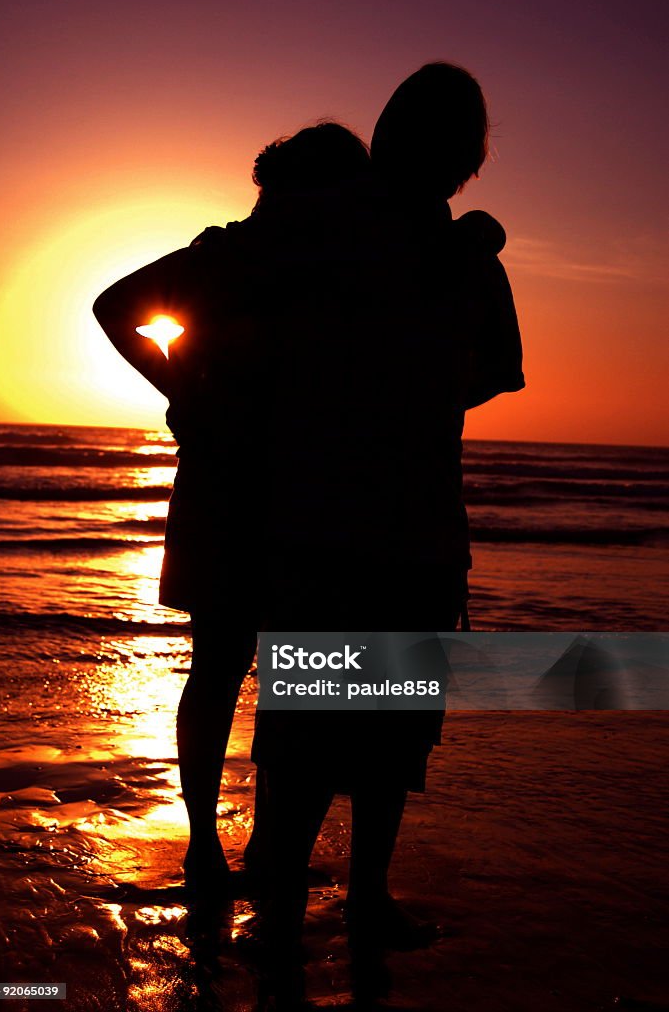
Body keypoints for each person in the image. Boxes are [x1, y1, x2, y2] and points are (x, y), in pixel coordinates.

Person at [250, 63, 524, 1007]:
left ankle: (318, 908)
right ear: (453, 152)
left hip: (355, 523)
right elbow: (496, 370)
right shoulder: (404, 237)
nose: (462, 170)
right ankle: (323, 906)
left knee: (343, 736)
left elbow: (493, 366)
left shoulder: (350, 230)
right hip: (368, 524)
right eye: (460, 150)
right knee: (356, 736)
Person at [91, 122, 371, 901]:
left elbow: (115, 306)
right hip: (239, 487)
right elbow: (113, 304)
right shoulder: (226, 257)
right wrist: (181, 387)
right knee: (229, 669)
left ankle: (247, 850)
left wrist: (184, 387)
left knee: (261, 671)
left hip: (280, 488)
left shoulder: (282, 263)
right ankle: (211, 847)